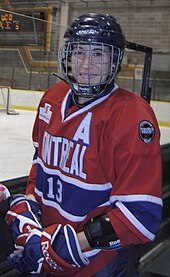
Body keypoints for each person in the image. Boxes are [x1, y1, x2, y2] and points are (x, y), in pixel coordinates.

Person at [4, 13, 162, 276]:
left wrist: (65, 248)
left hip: (101, 262)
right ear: (67, 56)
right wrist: (30, 208)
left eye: (99, 54)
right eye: (79, 52)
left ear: (115, 60)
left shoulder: (132, 116)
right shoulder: (51, 99)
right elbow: (40, 162)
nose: (87, 64)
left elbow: (141, 214)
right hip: (49, 249)